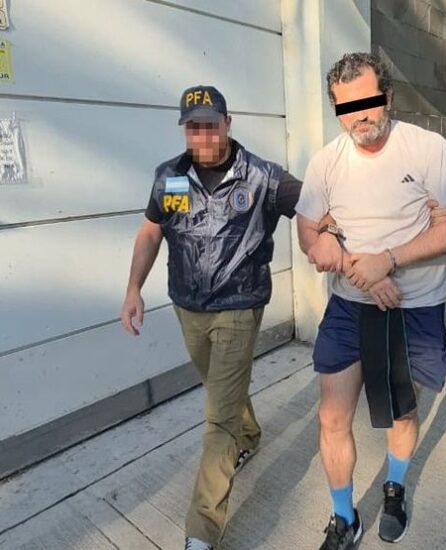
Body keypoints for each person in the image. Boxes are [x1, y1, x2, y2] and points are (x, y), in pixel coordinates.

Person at [295, 52, 446, 549]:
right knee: (332, 417)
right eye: (346, 107)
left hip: (415, 308)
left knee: (402, 413)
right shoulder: (326, 162)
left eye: (368, 103)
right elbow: (307, 230)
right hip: (349, 308)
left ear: (388, 97)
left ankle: (394, 487)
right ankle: (343, 517)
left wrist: (389, 259)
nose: (360, 116)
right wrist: (332, 250)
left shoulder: (426, 149)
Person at [120, 85, 302, 550]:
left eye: (210, 125)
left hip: (239, 305)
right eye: (193, 127)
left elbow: (313, 203)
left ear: (228, 123)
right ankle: (250, 432)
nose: (202, 136)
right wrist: (133, 288)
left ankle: (201, 531)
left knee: (217, 418)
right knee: (221, 388)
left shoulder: (261, 177)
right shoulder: (170, 177)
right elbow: (151, 231)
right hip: (188, 306)